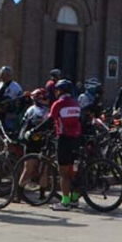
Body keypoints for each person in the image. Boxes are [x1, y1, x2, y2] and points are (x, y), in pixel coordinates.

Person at [39, 80, 83, 211]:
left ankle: (65, 202)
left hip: (64, 139)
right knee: (73, 170)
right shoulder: (76, 103)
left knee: (63, 172)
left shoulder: (58, 104)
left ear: (59, 91)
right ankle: (75, 199)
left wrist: (34, 130)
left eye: (56, 91)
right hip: (76, 139)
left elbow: (49, 121)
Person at [17, 89, 51, 197]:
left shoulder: (48, 110)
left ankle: (42, 194)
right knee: (28, 169)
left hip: (44, 142)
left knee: (44, 169)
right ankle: (19, 193)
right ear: (37, 99)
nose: (47, 100)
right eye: (45, 98)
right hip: (32, 142)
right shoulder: (33, 110)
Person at [0, 66, 25, 134]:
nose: (3, 77)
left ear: (10, 76)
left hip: (10, 115)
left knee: (10, 133)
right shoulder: (0, 84)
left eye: (5, 75)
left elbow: (21, 102)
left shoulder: (16, 87)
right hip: (0, 114)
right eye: (1, 75)